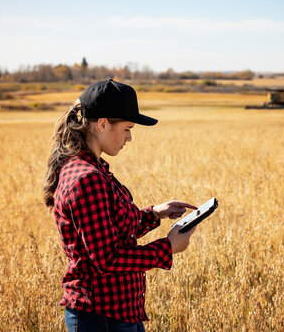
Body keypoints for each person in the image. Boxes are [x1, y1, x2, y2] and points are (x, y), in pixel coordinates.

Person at [43, 79, 197, 332]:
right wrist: (167, 248)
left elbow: (111, 229)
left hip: (118, 313)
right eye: (127, 128)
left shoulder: (93, 169)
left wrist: (156, 213)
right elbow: (108, 259)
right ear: (102, 124)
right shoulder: (87, 178)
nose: (130, 138)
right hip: (100, 317)